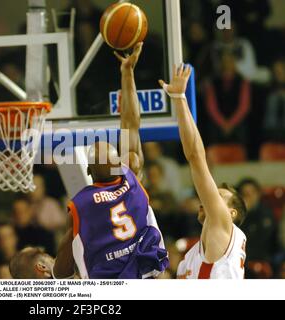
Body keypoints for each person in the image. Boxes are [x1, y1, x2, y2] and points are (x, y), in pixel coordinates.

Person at [53, 43, 168, 279]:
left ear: (88, 170)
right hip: (147, 277)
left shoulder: (79, 205)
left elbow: (61, 271)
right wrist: (127, 73)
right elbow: (131, 122)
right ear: (119, 163)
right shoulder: (131, 174)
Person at [159, 64, 248, 279]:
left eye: (218, 196)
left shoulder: (222, 223)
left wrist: (180, 98)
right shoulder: (194, 254)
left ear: (231, 213)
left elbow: (196, 157)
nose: (207, 197)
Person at [237, 178, 276, 262]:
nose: (249, 197)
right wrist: (244, 212)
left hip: (264, 258)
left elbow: (264, 242)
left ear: (258, 194)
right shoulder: (236, 215)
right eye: (245, 194)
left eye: (252, 193)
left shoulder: (266, 214)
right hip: (240, 256)